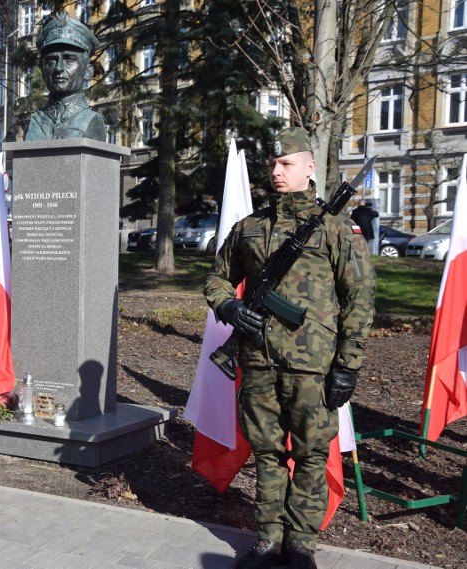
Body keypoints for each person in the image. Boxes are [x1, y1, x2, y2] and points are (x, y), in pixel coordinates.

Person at [204, 128, 376, 569]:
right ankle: (268, 539)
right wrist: (229, 306)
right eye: (273, 165)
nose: (277, 172)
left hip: (313, 366)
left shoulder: (337, 230)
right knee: (266, 453)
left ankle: (301, 546)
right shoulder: (250, 228)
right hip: (258, 360)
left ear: (310, 168)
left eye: (287, 164)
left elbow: (360, 298)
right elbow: (217, 278)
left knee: (311, 455)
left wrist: (348, 365)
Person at [25, 12, 106, 142]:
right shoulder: (36, 122)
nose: (58, 68)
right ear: (42, 69)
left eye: (69, 60)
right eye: (51, 60)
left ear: (87, 71)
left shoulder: (91, 121)